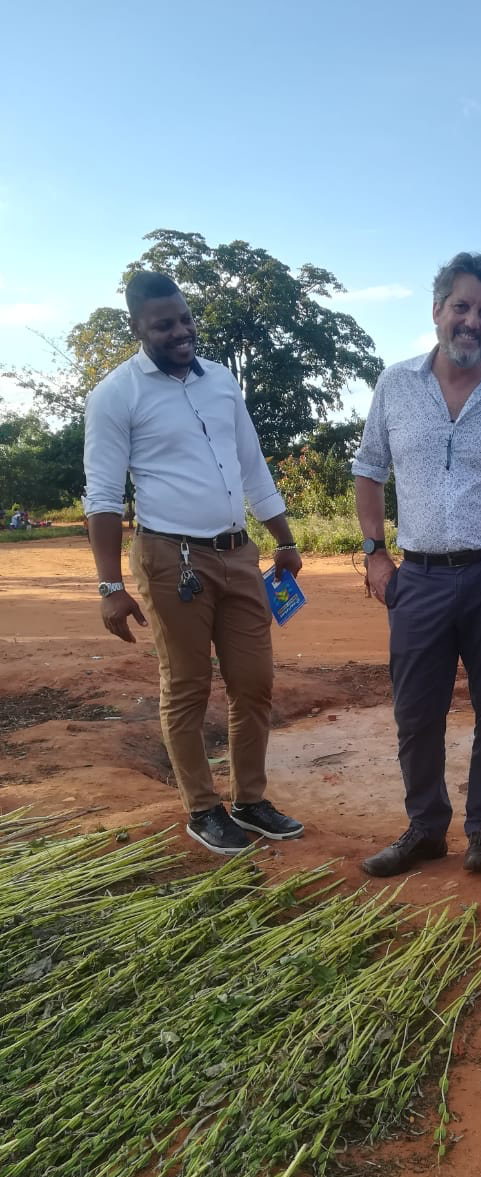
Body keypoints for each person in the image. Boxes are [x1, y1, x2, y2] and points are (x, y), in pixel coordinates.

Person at [83, 270, 304, 855]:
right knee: (186, 685)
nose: (181, 331)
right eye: (165, 324)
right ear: (137, 327)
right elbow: (103, 499)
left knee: (254, 682)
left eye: (185, 319)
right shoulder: (116, 395)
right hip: (170, 560)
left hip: (238, 554)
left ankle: (250, 800)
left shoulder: (223, 381)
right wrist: (109, 586)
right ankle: (203, 809)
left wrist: (283, 538)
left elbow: (253, 467)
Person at [353, 252, 481, 877]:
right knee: (416, 710)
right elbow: (369, 469)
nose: (472, 321)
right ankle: (425, 828)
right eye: (461, 307)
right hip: (420, 576)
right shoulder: (395, 385)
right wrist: (376, 555)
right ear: (436, 311)